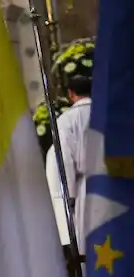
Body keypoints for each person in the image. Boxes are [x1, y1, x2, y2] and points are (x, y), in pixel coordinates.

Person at [46, 75, 92, 246]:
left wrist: (69, 196)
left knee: (90, 246)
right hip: (117, 184)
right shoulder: (110, 114)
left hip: (85, 189)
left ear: (70, 94)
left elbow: (64, 158)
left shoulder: (67, 120)